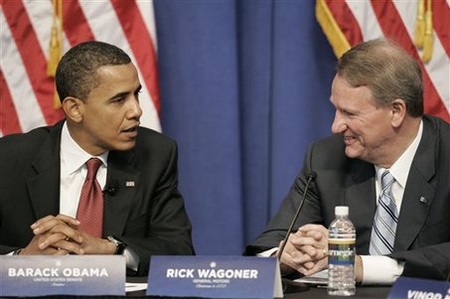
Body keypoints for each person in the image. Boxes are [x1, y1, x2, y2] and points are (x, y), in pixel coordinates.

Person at [245, 38, 450, 284]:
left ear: (396, 111)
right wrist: (286, 256)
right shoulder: (325, 159)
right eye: (336, 109)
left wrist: (363, 267)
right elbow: (266, 248)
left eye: (350, 113)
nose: (336, 126)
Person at [0, 41, 195, 276]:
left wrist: (111, 250)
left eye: (136, 94)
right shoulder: (9, 159)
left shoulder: (156, 154)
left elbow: (178, 250)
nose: (136, 111)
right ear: (74, 109)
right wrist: (21, 259)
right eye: (119, 100)